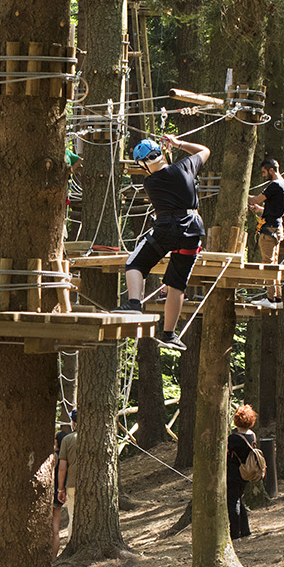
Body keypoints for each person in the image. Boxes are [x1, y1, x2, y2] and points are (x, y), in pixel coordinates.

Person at [116, 133, 211, 352]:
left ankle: (134, 303)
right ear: (161, 154)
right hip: (192, 229)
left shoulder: (150, 182)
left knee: (135, 264)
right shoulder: (185, 167)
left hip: (167, 228)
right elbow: (204, 150)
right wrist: (178, 143)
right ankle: (169, 334)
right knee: (176, 284)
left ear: (143, 164)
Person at [247, 157, 284, 306]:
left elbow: (256, 199)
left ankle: (270, 298)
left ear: (271, 170)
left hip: (269, 230)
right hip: (277, 227)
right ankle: (277, 298)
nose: (264, 175)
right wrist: (261, 210)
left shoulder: (274, 185)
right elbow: (276, 209)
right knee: (274, 264)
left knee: (268, 264)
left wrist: (241, 195)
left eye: (265, 172)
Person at [226, 404, 258, 540]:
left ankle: (235, 534)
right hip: (246, 472)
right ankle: (246, 531)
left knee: (232, 503)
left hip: (234, 473)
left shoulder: (234, 439)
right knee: (239, 500)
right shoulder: (252, 435)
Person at [53, 409, 77, 556]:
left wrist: (60, 489)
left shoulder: (68, 440)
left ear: (74, 422)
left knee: (73, 517)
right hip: (94, 484)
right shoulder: (95, 437)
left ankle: (72, 545)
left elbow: (62, 468)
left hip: (73, 484)